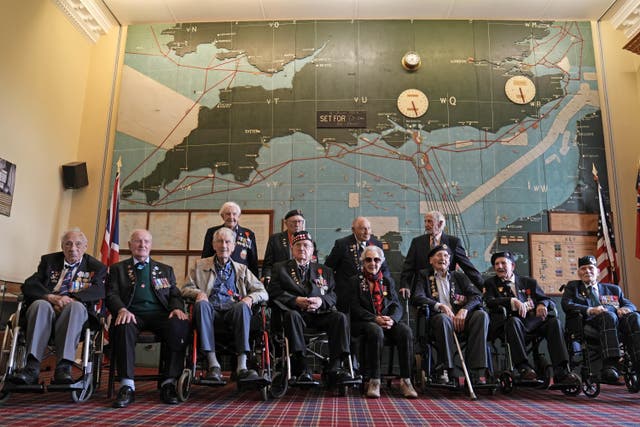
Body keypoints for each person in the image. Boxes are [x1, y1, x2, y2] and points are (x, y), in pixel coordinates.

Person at [9, 230, 106, 385]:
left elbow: (99, 290)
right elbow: (30, 284)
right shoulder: (49, 261)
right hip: (46, 310)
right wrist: (52, 298)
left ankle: (64, 367)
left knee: (74, 308)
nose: (73, 248)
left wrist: (71, 299)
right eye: (68, 243)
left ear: (85, 247)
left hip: (76, 315)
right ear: (62, 246)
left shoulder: (96, 267)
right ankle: (32, 367)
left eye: (78, 244)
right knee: (40, 304)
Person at [107, 229, 190, 408]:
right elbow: (111, 294)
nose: (142, 245)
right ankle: (127, 385)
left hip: (160, 314)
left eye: (146, 242)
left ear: (151, 245)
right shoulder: (117, 269)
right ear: (130, 245)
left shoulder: (165, 270)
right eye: (138, 241)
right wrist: (121, 309)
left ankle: (169, 382)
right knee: (123, 325)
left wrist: (176, 308)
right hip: (131, 314)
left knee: (179, 325)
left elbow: (175, 294)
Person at [183, 227, 268, 382]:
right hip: (210, 311)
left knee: (243, 306)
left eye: (228, 242)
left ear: (234, 246)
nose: (224, 245)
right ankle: (213, 365)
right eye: (220, 242)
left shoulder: (242, 269)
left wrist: (250, 298)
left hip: (233, 313)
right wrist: (198, 293)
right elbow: (185, 288)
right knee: (201, 305)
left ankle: (242, 366)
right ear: (214, 245)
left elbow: (263, 292)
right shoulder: (199, 265)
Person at [269, 230, 354, 385]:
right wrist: (295, 300)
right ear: (292, 249)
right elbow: (274, 293)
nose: (302, 248)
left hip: (319, 315)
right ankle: (302, 367)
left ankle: (335, 367)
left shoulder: (325, 271)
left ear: (312, 250)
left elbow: (333, 295)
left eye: (306, 245)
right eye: (298, 245)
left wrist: (321, 302)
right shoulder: (280, 268)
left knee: (340, 317)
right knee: (291, 316)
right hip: (295, 316)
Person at [484, 251, 579, 386]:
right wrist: (511, 301)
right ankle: (524, 367)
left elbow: (547, 300)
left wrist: (542, 304)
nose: (499, 267)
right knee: (514, 321)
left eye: (503, 263)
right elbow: (489, 302)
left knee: (553, 322)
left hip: (532, 322)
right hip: (509, 324)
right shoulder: (490, 283)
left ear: (513, 266)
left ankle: (562, 370)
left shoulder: (528, 282)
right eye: (496, 264)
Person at [411, 244, 489, 385]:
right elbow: (417, 296)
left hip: (461, 319)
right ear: (431, 260)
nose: (443, 258)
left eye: (446, 256)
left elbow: (476, 296)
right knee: (443, 319)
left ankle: (476, 371)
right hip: (437, 320)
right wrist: (439, 306)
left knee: (481, 316)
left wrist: (464, 310)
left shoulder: (458, 276)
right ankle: (445, 369)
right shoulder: (423, 276)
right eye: (439, 255)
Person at [350, 245, 417, 398]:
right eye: (368, 260)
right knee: (375, 330)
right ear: (363, 262)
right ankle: (374, 380)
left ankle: (406, 380)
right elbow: (354, 308)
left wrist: (392, 320)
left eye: (376, 260)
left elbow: (396, 304)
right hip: (364, 323)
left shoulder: (387, 280)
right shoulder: (355, 281)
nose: (372, 263)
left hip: (386, 321)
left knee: (405, 331)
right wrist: (375, 319)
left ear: (381, 262)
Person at [561, 255, 640, 384]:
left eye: (591, 268)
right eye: (583, 268)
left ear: (597, 271)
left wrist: (626, 308)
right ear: (579, 273)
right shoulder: (573, 287)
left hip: (615, 324)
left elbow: (629, 304)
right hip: (588, 324)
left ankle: (638, 366)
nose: (587, 271)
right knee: (608, 315)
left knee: (635, 316)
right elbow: (567, 304)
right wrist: (590, 310)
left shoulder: (613, 289)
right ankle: (611, 365)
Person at [400, 210, 483, 294]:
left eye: (429, 221)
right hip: (422, 290)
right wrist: (405, 285)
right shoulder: (417, 242)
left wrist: (483, 287)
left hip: (447, 289)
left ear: (440, 223)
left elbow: (468, 267)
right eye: (425, 221)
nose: (426, 225)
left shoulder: (453, 242)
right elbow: (408, 267)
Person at [325, 216, 391, 313]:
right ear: (353, 230)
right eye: (363, 228)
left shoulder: (376, 244)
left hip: (371, 294)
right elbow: (328, 268)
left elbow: (384, 268)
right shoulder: (342, 244)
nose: (367, 232)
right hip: (347, 294)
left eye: (369, 228)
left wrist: (386, 285)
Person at [201, 201, 259, 277]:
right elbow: (206, 256)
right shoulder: (212, 232)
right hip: (216, 275)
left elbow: (253, 261)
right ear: (222, 216)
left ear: (238, 216)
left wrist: (255, 280)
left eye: (234, 214)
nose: (231, 217)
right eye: (228, 214)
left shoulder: (248, 234)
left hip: (241, 276)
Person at [261, 209, 317, 284]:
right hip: (280, 279)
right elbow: (268, 264)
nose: (297, 225)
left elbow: (314, 263)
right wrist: (267, 276)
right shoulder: (275, 239)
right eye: (294, 222)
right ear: (286, 223)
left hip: (304, 280)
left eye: (300, 222)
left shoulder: (309, 240)